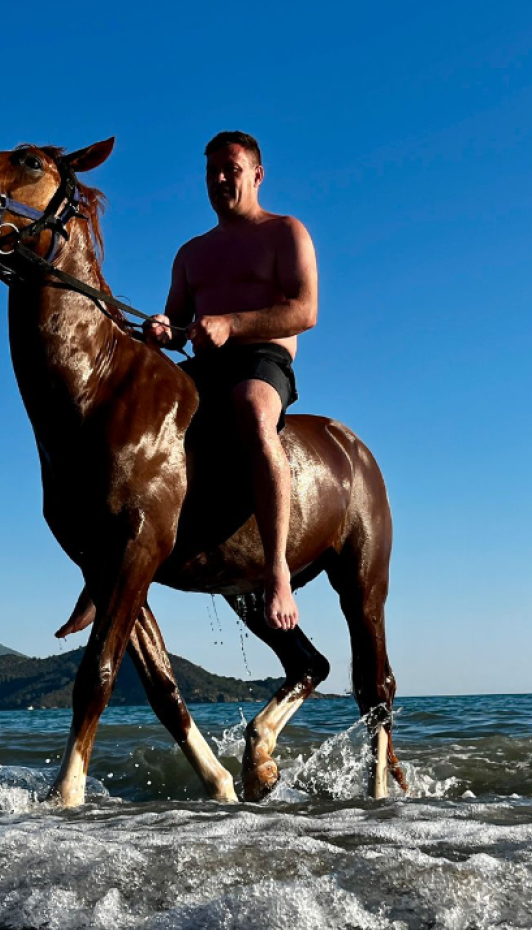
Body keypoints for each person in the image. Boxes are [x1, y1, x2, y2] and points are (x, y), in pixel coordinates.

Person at [145, 131, 318, 631]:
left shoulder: (286, 232)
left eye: (231, 170)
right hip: (206, 366)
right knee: (141, 412)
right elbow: (178, 325)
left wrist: (232, 323)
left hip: (262, 359)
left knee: (250, 406)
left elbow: (305, 311)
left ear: (257, 176)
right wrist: (163, 329)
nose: (219, 180)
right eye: (211, 173)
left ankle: (277, 570)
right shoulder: (191, 253)